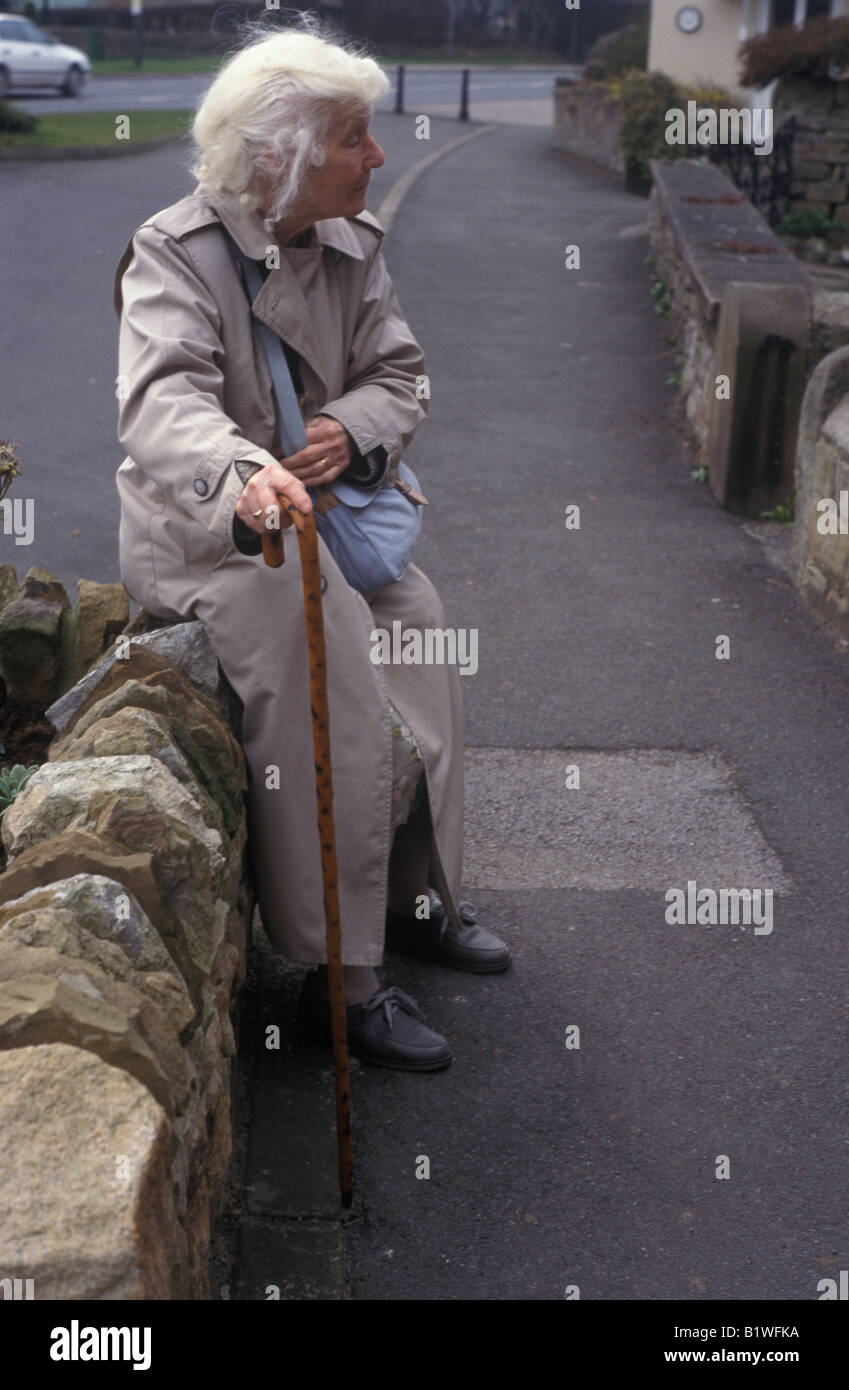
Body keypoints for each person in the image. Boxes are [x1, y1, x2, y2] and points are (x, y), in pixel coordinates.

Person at [113, 20, 511, 1073]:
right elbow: (161, 407)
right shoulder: (173, 252)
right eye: (354, 138)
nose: (377, 156)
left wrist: (359, 430)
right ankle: (346, 974)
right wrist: (247, 478)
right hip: (221, 538)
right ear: (280, 155)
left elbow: (406, 374)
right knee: (323, 638)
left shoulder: (350, 245)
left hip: (331, 519)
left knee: (419, 622)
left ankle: (423, 898)